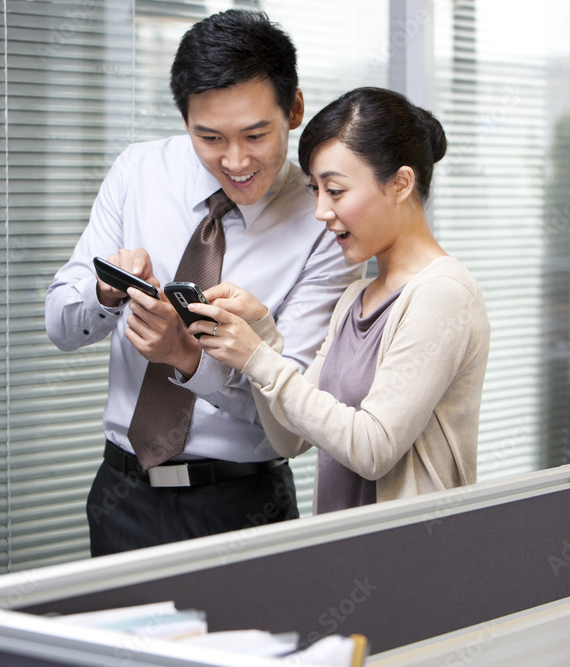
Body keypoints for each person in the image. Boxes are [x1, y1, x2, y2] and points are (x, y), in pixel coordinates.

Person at [45, 10, 362, 555]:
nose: (235, 161)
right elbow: (60, 325)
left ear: (295, 110)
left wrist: (187, 358)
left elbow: (295, 409)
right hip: (122, 496)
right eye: (208, 136)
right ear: (184, 119)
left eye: (256, 135)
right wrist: (108, 292)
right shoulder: (138, 172)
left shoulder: (324, 221)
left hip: (241, 506)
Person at [187, 87, 490, 512]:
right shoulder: (355, 298)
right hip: (345, 551)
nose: (321, 211)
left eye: (336, 190)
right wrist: (263, 335)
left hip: (413, 558)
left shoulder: (443, 294)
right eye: (315, 189)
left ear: (401, 183)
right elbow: (289, 439)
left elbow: (373, 449)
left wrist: (258, 357)